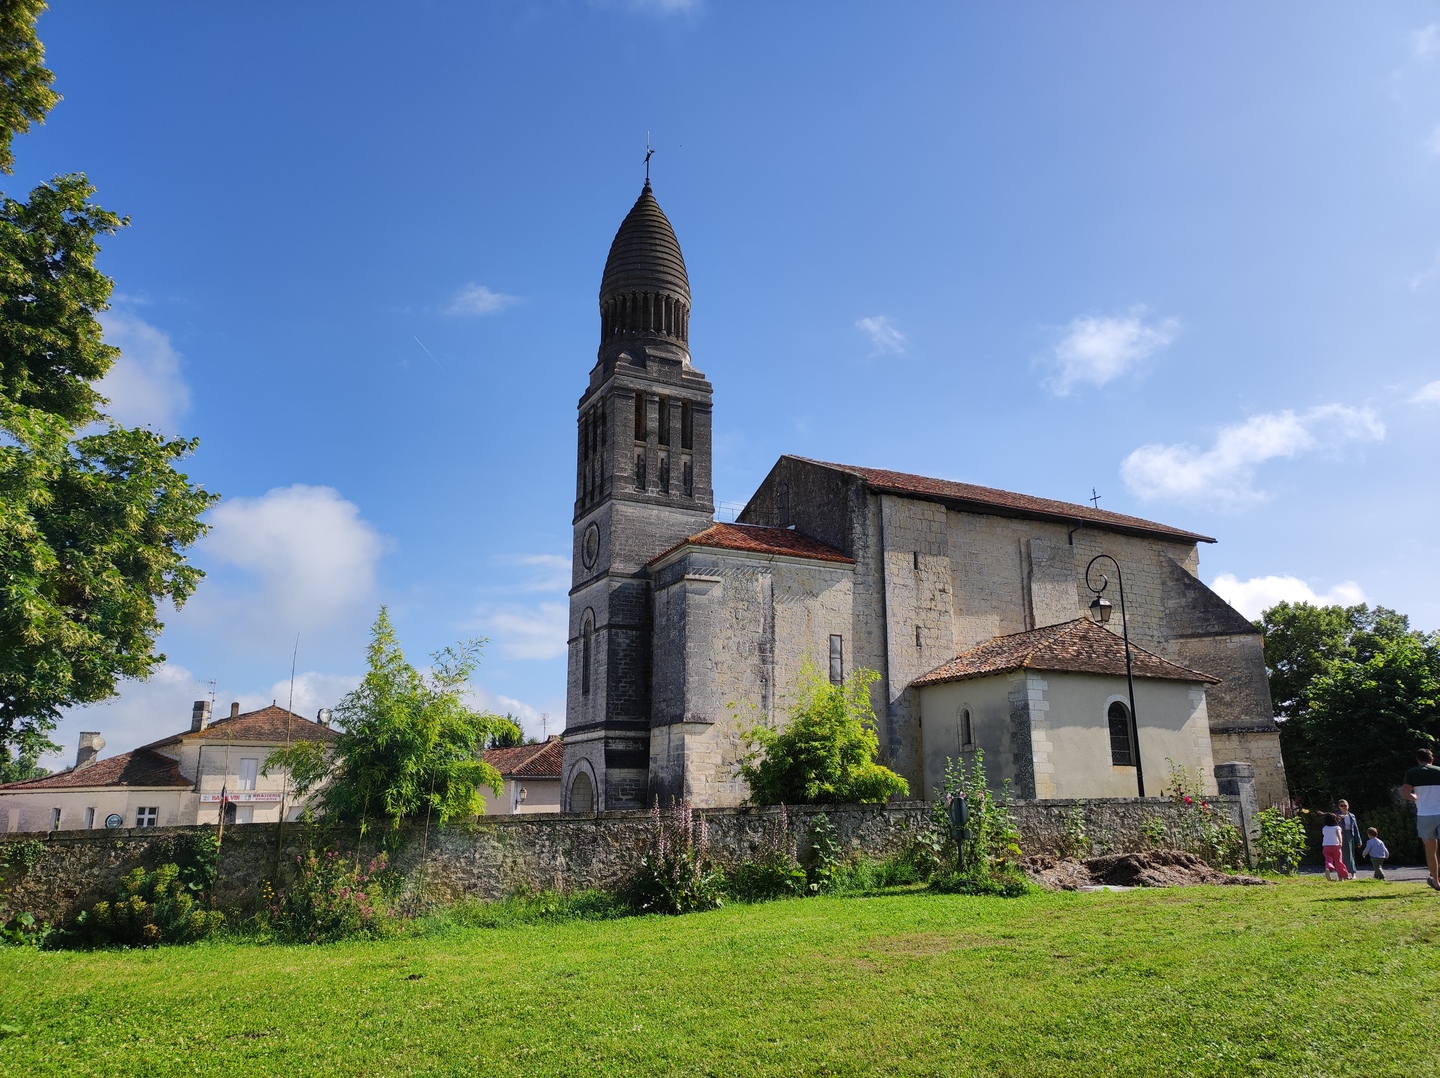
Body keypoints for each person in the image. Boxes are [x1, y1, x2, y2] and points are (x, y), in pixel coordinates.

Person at [1400, 747, 1440, 892]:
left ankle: (1436, 881)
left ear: (1418, 759)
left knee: (1431, 851)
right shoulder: (1438, 770)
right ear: (1431, 759)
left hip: (1424, 815)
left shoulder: (1412, 772)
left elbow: (1405, 793)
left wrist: (1416, 797)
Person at [1336, 799, 1362, 879]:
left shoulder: (1352, 816)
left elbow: (1355, 828)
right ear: (1339, 807)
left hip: (1349, 835)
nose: (1344, 807)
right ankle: (1343, 874)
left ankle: (1353, 873)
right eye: (1342, 805)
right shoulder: (1337, 815)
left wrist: (1359, 840)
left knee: (1350, 854)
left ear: (1348, 806)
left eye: (1345, 805)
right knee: (1341, 855)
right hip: (1340, 835)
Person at [1320, 813, 1350, 881]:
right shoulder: (1337, 827)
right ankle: (1342, 876)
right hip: (1336, 846)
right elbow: (1339, 835)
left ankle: (1329, 866)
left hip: (1326, 846)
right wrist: (1340, 842)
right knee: (1338, 861)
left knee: (1328, 859)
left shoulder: (1324, 828)